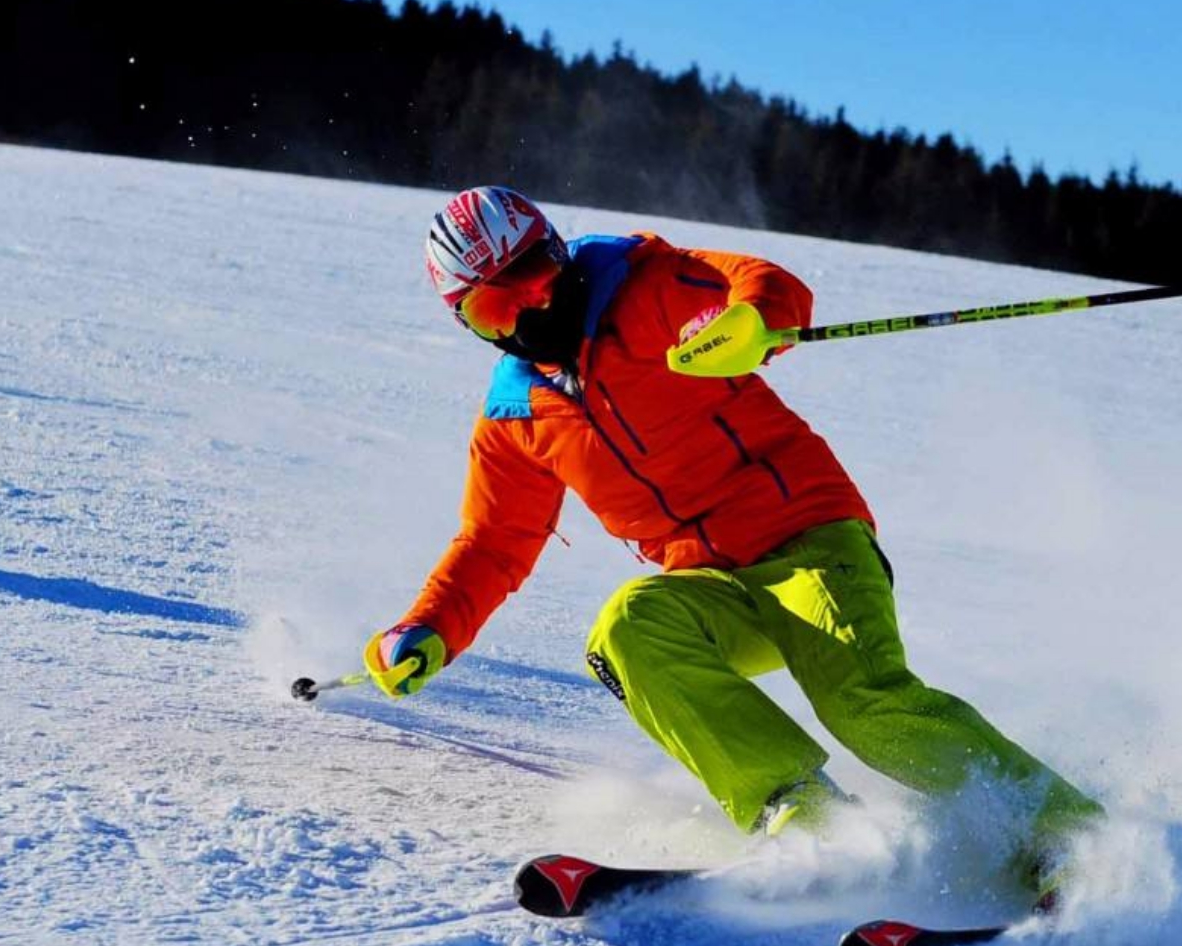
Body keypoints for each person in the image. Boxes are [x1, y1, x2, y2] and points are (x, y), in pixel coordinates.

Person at [363, 187, 1102, 883]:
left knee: (863, 705)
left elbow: (758, 282)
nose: (534, 304)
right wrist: (430, 625)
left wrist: (747, 323)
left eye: (535, 272)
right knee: (625, 631)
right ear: (469, 321)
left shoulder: (642, 287)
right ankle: (798, 809)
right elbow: (494, 542)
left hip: (809, 542)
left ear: (557, 250)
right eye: (499, 305)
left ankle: (1068, 833)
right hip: (712, 586)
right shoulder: (515, 415)